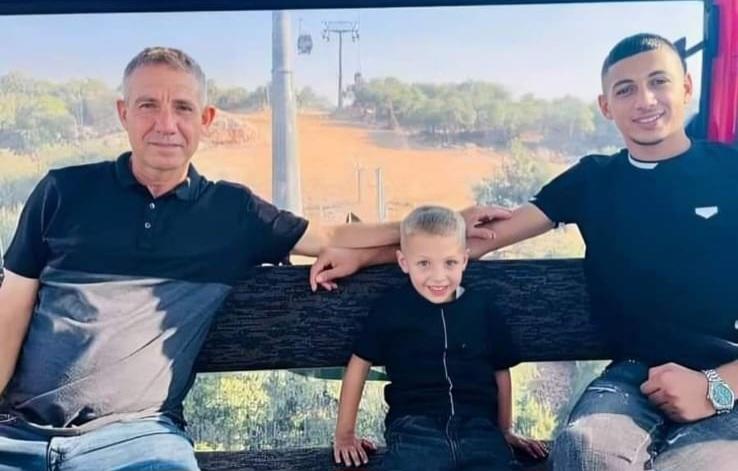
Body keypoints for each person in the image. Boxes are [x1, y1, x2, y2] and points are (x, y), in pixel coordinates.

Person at [0, 47, 508, 471]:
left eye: (182, 108)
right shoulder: (62, 192)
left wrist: (441, 226)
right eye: (148, 105)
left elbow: (331, 236)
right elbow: (11, 311)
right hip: (15, 431)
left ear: (205, 120)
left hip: (138, 438)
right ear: (123, 112)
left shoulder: (232, 212)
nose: (165, 124)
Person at [311, 33, 738, 470]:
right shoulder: (592, 180)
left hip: (729, 377)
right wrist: (364, 258)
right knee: (583, 452)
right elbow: (471, 244)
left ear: (686, 87)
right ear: (606, 105)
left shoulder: (730, 172)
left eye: (659, 82)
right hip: (634, 376)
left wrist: (714, 387)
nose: (645, 100)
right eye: (625, 89)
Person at [332, 206, 547, 470]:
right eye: (424, 263)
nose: (438, 276)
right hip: (415, 430)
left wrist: (505, 430)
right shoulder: (391, 310)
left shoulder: (482, 309)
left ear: (464, 260)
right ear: (404, 262)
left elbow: (501, 371)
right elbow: (358, 365)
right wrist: (345, 434)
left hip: (479, 429)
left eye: (450, 263)